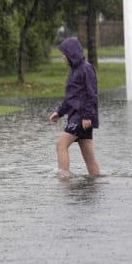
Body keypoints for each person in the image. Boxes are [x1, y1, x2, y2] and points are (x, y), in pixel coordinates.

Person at [49, 37, 100, 177]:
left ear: (71, 53)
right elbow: (71, 97)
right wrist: (59, 112)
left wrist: (87, 116)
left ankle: (63, 180)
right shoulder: (74, 71)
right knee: (88, 155)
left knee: (61, 144)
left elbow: (92, 95)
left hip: (81, 117)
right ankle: (95, 182)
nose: (63, 56)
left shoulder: (86, 69)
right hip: (76, 116)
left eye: (64, 53)